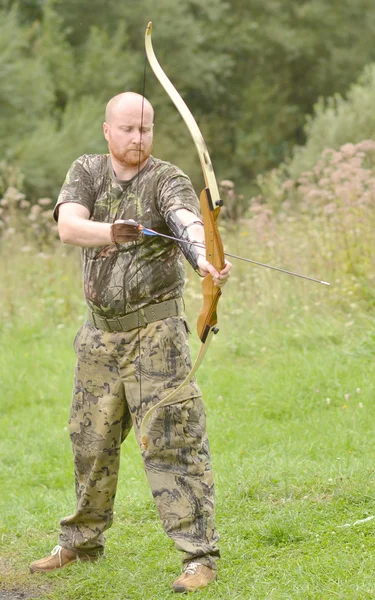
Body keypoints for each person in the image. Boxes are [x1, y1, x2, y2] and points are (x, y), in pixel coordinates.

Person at [29, 92, 231, 593]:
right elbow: (69, 227)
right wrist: (112, 232)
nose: (137, 138)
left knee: (172, 439)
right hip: (98, 335)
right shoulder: (88, 171)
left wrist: (205, 255)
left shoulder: (167, 179)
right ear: (107, 131)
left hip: (156, 336)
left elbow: (186, 220)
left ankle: (197, 556)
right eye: (127, 129)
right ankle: (81, 541)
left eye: (145, 129)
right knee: (89, 440)